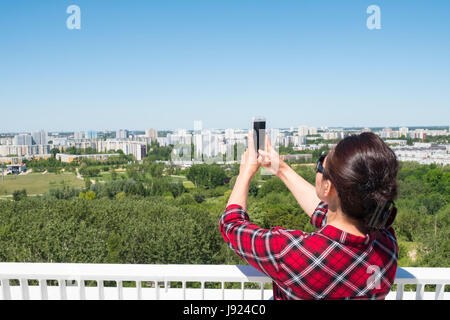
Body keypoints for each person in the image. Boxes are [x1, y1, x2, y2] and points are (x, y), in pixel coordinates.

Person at [219, 130, 399, 300]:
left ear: (328, 186)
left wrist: (245, 173)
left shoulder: (291, 252)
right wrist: (280, 168)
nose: (318, 167)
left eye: (321, 163)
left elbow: (231, 224)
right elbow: (327, 214)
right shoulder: (386, 247)